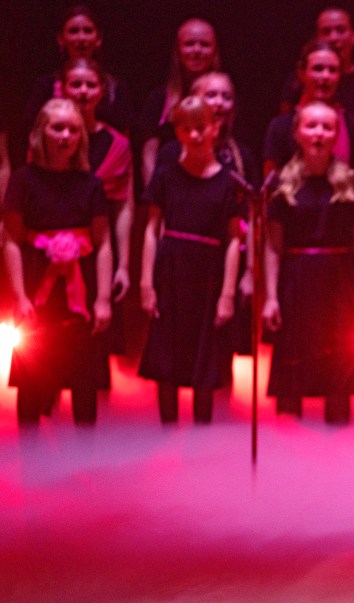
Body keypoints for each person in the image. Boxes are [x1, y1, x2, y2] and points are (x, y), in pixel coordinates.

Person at [2, 98, 112, 424]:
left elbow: (103, 243)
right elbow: (11, 241)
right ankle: (30, 448)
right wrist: (20, 296)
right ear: (41, 132)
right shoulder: (22, 180)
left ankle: (86, 449)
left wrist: (103, 299)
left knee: (84, 379)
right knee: (32, 375)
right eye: (58, 128)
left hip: (80, 288)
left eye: (73, 130)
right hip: (38, 284)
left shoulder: (90, 184)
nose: (66, 136)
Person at [262, 102, 354, 422]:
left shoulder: (350, 182)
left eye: (327, 127)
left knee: (339, 371)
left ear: (336, 135)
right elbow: (273, 247)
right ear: (297, 133)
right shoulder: (281, 185)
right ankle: (287, 442)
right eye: (311, 126)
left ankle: (338, 444)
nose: (319, 133)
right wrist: (270, 298)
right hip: (295, 285)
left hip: (338, 285)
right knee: (291, 375)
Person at [138, 97, 244, 423]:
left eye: (201, 128)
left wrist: (228, 294)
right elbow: (152, 229)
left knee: (205, 362)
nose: (195, 135)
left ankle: (202, 435)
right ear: (178, 132)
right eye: (186, 129)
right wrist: (146, 283)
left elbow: (234, 240)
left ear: (215, 128)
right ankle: (166, 429)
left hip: (208, 275)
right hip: (170, 270)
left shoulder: (229, 182)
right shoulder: (166, 175)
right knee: (166, 360)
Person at [61, 58, 134, 378]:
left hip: (95, 257)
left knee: (90, 360)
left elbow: (123, 208)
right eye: (75, 84)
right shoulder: (47, 139)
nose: (83, 91)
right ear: (62, 88)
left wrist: (123, 265)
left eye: (90, 85)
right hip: (49, 254)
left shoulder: (117, 145)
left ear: (102, 91)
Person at [263, 40, 354, 178]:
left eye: (333, 70)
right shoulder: (280, 127)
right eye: (318, 69)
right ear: (302, 73)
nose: (325, 76)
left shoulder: (353, 126)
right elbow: (270, 182)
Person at [23, 5, 133, 134]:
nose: (81, 38)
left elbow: (123, 137)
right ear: (61, 39)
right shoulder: (45, 86)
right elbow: (34, 135)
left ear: (98, 39)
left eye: (87, 31)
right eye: (73, 31)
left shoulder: (115, 88)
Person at [138, 18, 220, 186]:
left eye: (204, 44)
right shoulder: (159, 99)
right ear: (178, 50)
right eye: (189, 44)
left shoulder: (223, 99)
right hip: (170, 191)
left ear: (215, 51)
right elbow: (149, 157)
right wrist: (153, 194)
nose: (197, 50)